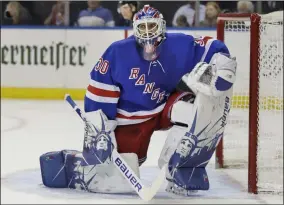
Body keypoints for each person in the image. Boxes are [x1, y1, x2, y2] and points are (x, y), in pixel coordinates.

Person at [40, 5, 237, 196]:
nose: (148, 32)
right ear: (135, 30)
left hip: (163, 109)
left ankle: (184, 170)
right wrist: (100, 133)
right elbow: (98, 95)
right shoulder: (117, 52)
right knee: (118, 180)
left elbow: (214, 47)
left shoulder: (179, 45)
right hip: (129, 121)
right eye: (143, 27)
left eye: (152, 26)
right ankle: (73, 166)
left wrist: (224, 66)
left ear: (162, 27)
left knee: (199, 102)